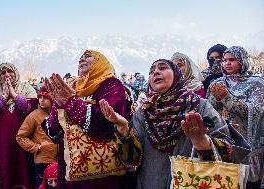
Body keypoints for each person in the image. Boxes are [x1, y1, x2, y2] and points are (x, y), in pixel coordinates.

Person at [99, 59, 251, 189]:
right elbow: (132, 162)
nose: (156, 72)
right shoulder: (143, 114)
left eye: (163, 68)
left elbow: (229, 150)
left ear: (177, 75)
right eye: (152, 71)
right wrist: (123, 128)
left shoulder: (198, 106)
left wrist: (201, 142)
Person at [45, 50, 134, 188]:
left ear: (101, 63)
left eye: (87, 56)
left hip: (101, 171)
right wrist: (58, 103)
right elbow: (54, 133)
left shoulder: (111, 84)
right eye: (80, 58)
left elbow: (105, 124)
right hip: (70, 169)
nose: (81, 59)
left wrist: (70, 101)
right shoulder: (73, 87)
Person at [207, 46, 264, 188]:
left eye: (232, 60)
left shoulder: (256, 84)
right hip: (223, 141)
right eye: (225, 60)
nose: (227, 63)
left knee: (248, 183)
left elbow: (256, 111)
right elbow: (209, 113)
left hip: (248, 143)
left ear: (242, 61)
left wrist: (226, 97)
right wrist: (216, 98)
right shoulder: (217, 83)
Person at [0, 63, 38, 189]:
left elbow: (31, 108)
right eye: (3, 72)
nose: (7, 75)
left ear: (15, 72)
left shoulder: (26, 87)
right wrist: (4, 97)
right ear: (0, 76)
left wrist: (14, 95)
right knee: (5, 166)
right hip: (3, 141)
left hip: (24, 139)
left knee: (24, 167)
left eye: (10, 71)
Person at [16, 86, 58, 188]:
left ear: (52, 98)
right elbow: (20, 136)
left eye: (45, 98)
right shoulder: (33, 116)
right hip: (42, 161)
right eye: (40, 97)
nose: (42, 100)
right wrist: (36, 147)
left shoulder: (59, 113)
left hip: (59, 159)